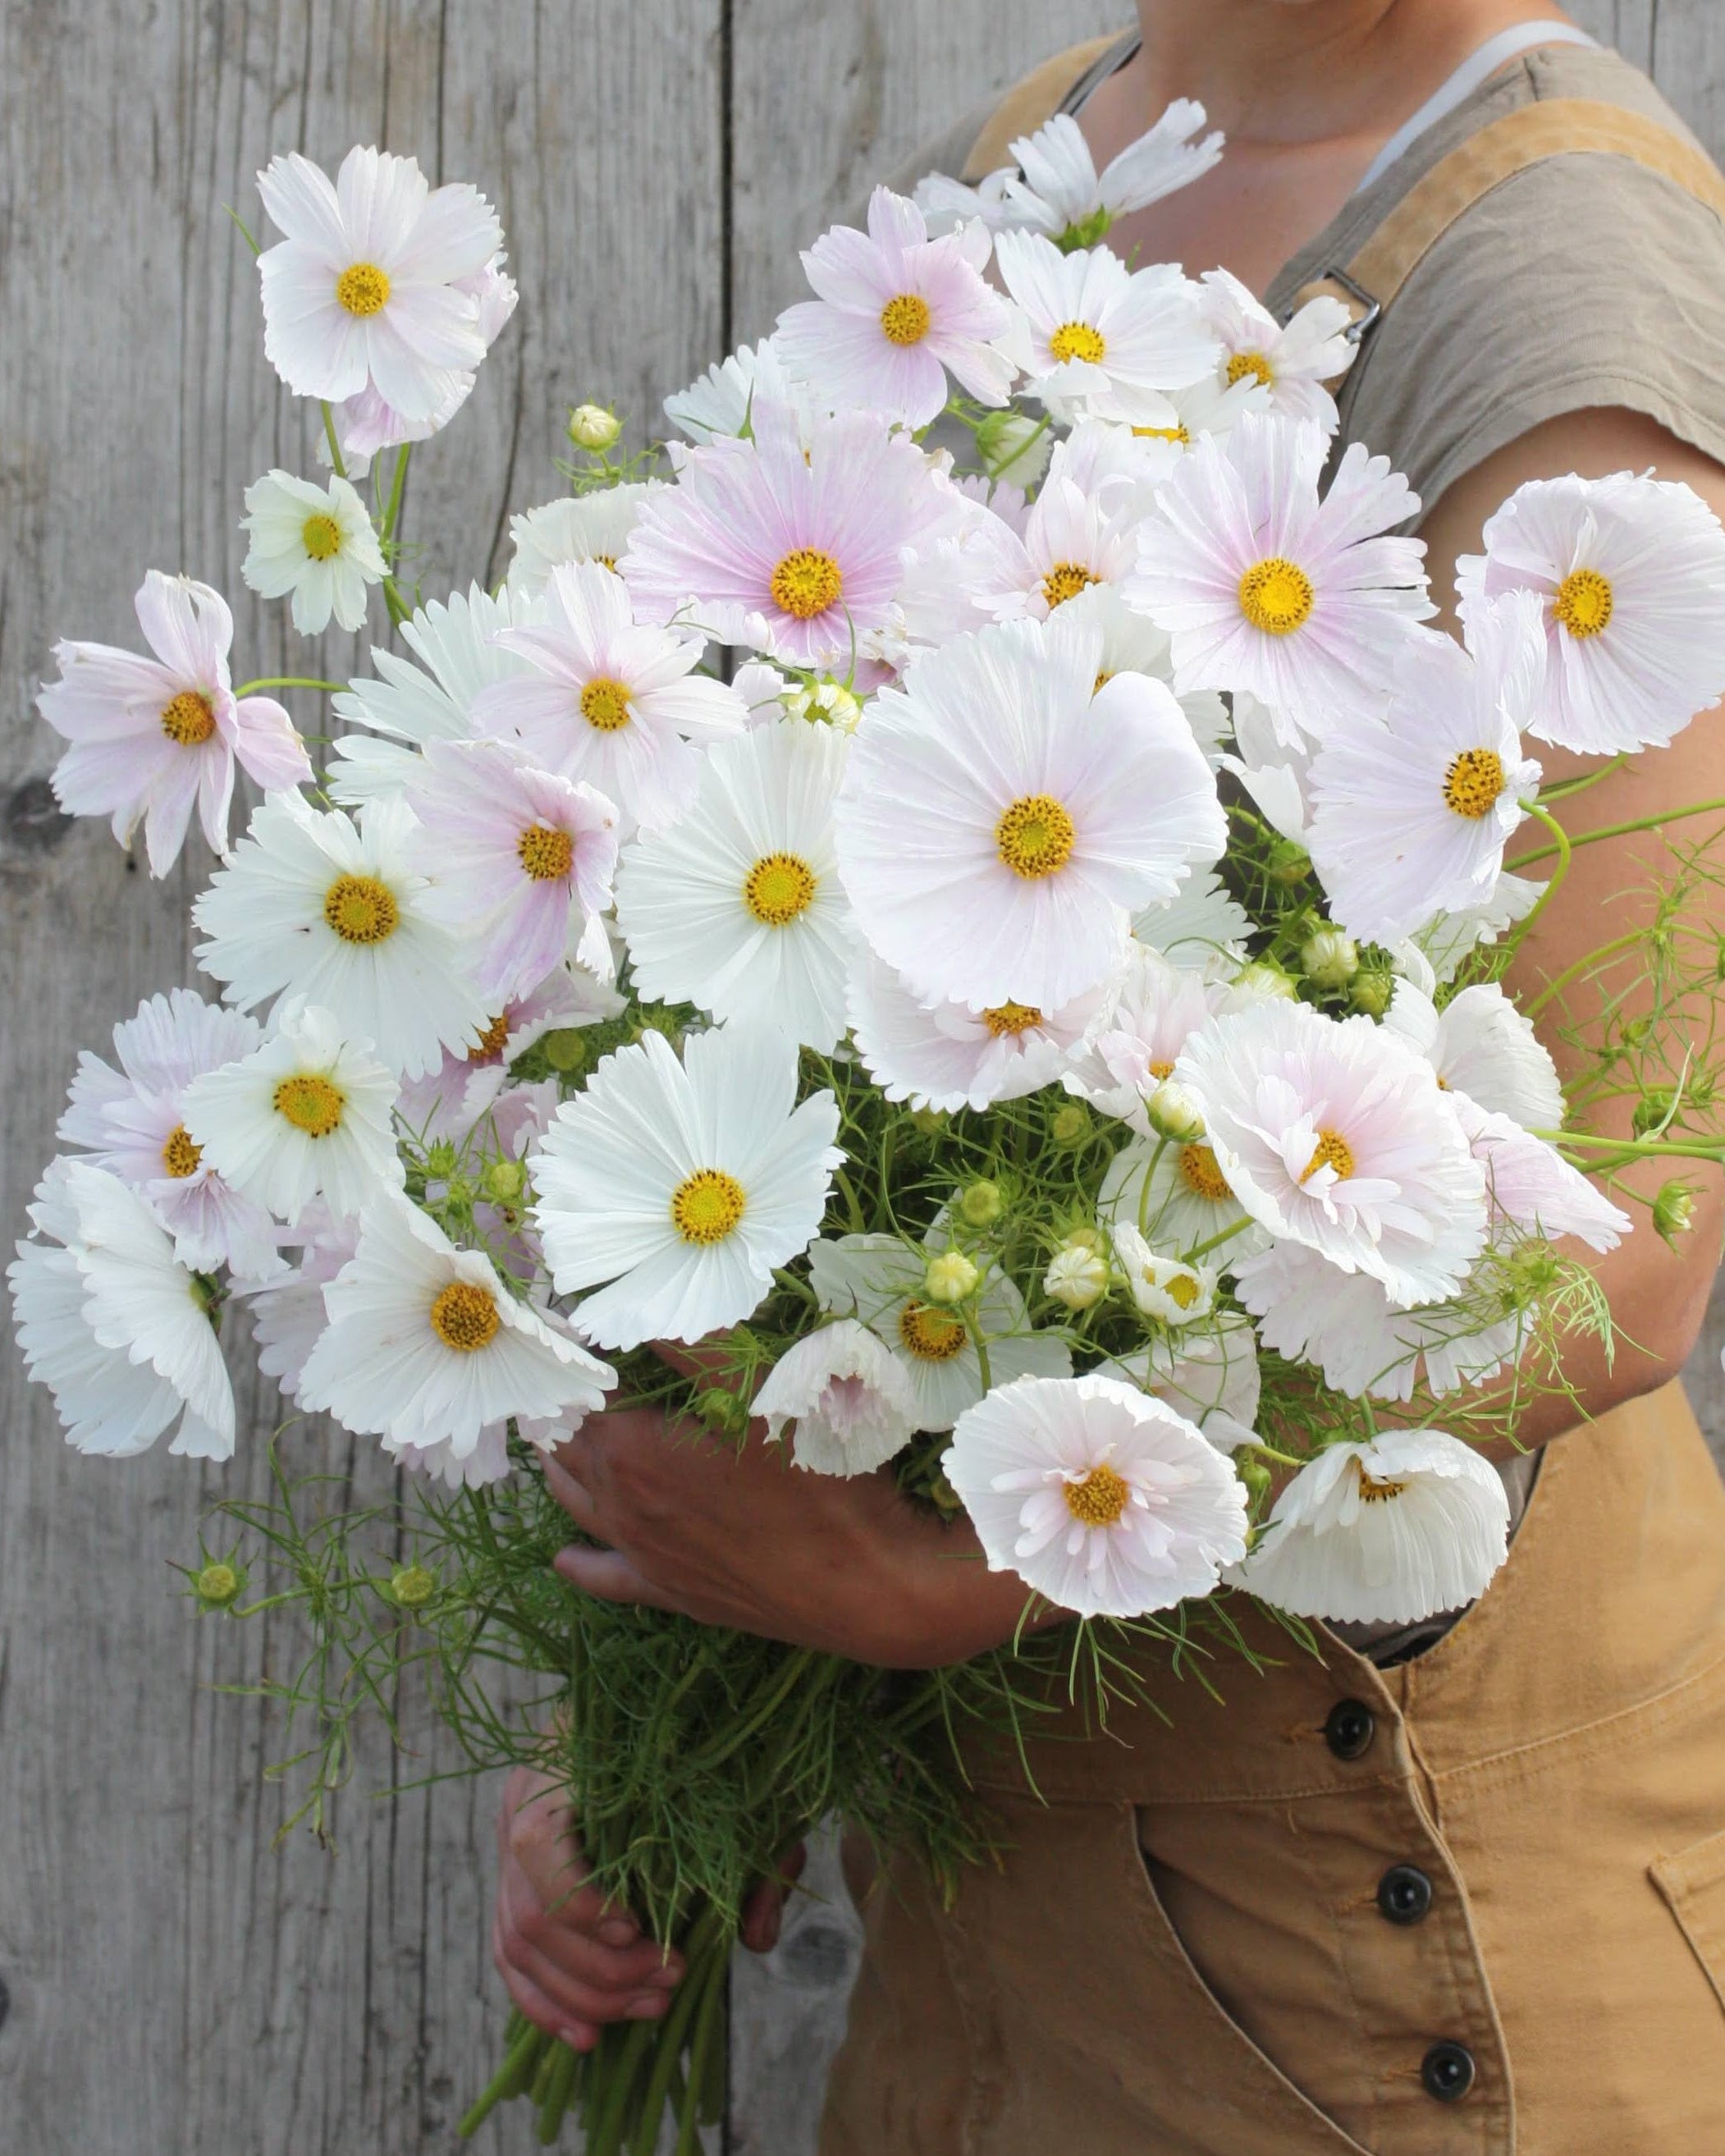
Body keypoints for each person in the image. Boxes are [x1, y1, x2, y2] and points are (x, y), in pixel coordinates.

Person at [492, 5, 1725, 2146]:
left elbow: (1627, 1248)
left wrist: (951, 1575)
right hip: (1001, 1901)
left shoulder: (1555, 282)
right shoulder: (1055, 152)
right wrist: (685, 1716)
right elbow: (846, 1022)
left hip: (1360, 1914)